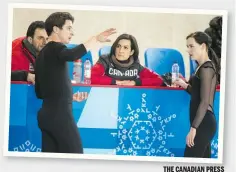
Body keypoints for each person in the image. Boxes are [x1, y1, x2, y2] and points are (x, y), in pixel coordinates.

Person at [35, 12, 116, 153]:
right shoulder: (56, 47)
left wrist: (68, 97)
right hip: (59, 116)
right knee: (75, 157)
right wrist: (95, 39)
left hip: (46, 116)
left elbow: (40, 92)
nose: (72, 32)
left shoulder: (41, 54)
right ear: (55, 29)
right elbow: (72, 55)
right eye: (69, 28)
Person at [174, 31, 219, 158]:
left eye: (191, 46)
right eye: (187, 46)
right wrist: (184, 85)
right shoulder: (201, 67)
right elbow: (197, 94)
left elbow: (205, 102)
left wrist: (193, 129)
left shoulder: (207, 69)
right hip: (202, 123)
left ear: (203, 46)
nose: (188, 50)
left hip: (203, 123)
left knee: (190, 162)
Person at [91, 33, 164, 86]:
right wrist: (115, 82)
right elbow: (90, 78)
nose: (120, 50)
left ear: (131, 52)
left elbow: (159, 80)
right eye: (118, 46)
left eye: (125, 48)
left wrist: (135, 82)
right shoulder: (105, 60)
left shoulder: (136, 64)